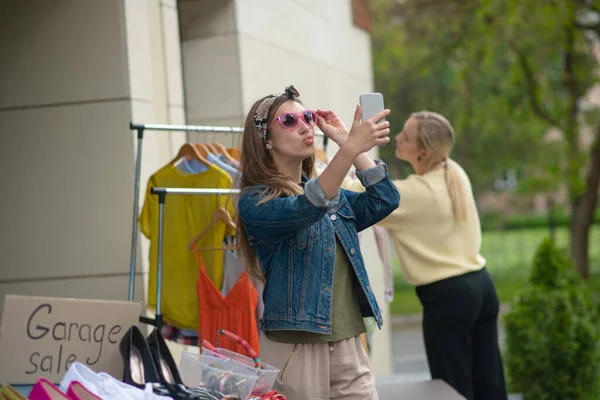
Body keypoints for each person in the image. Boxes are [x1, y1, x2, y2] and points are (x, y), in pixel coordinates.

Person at [235, 85, 400, 400]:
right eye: (289, 122)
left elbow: (385, 199)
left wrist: (341, 139)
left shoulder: (333, 195)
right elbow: (308, 206)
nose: (304, 126)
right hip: (295, 348)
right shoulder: (255, 201)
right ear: (265, 140)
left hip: (349, 342)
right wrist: (349, 149)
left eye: (307, 117)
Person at [377, 111, 508, 400]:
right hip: (482, 287)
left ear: (423, 152)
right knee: (490, 385)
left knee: (451, 390)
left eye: (406, 136)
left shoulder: (415, 193)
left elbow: (359, 195)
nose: (397, 137)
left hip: (449, 298)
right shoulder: (453, 170)